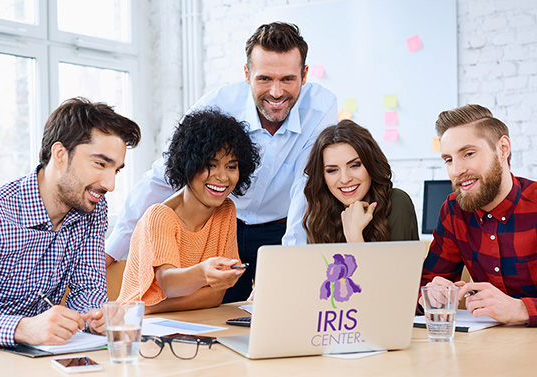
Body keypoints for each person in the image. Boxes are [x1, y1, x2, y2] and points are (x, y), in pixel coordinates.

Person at [106, 22, 338, 302]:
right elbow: (164, 173)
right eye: (264, 78)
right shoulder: (218, 104)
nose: (276, 92)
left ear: (304, 75)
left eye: (288, 79)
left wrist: (288, 264)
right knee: (220, 310)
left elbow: (306, 186)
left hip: (281, 227)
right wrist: (111, 251)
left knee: (278, 309)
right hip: (225, 224)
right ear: (247, 74)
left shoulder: (321, 107)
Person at [0, 97, 141, 347]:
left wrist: (95, 317)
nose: (110, 184)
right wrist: (19, 329)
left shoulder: (92, 208)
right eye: (100, 164)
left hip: (43, 356)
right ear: (60, 155)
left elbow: (88, 290)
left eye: (116, 170)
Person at [421, 104, 537, 326]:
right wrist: (433, 295)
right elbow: (424, 288)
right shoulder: (454, 211)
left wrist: (521, 309)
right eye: (449, 159)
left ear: (503, 149)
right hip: (491, 348)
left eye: (469, 154)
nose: (456, 171)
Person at [117, 109, 260, 313]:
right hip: (137, 326)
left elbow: (216, 295)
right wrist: (203, 274)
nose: (222, 177)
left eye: (231, 166)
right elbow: (169, 284)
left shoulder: (226, 210)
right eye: (211, 165)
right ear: (188, 164)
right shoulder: (160, 216)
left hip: (188, 320)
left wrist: (148, 307)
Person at [303, 120, 419, 243]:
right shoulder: (319, 214)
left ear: (370, 165)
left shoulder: (397, 203)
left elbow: (398, 263)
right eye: (332, 170)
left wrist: (354, 237)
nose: (345, 179)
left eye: (354, 165)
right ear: (323, 177)